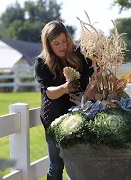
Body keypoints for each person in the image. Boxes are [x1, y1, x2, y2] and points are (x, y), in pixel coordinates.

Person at [34, 20, 93, 180]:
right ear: (48, 45)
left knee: (79, 162)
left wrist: (89, 92)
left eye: (64, 41)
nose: (62, 46)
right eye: (56, 43)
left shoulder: (79, 54)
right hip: (54, 117)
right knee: (56, 165)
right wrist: (65, 88)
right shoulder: (41, 62)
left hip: (80, 114)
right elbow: (49, 93)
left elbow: (94, 76)